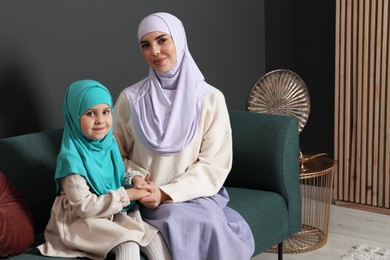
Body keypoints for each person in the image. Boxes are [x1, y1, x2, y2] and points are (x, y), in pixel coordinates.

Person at [113, 12, 255, 260]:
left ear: (179, 40)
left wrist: (167, 193)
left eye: (162, 40)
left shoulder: (209, 99)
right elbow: (114, 156)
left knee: (207, 221)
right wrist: (137, 180)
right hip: (143, 201)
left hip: (192, 196)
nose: (155, 51)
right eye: (145, 45)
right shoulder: (131, 99)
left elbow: (214, 165)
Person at [37, 79, 171, 260]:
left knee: (155, 238)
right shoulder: (71, 160)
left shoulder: (109, 143)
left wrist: (135, 180)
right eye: (90, 114)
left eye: (106, 112)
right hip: (80, 222)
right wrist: (130, 194)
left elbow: (119, 172)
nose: (100, 121)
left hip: (111, 212)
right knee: (128, 243)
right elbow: (84, 207)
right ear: (74, 117)